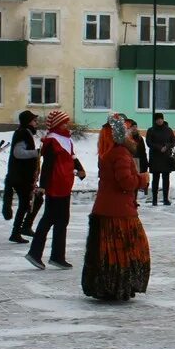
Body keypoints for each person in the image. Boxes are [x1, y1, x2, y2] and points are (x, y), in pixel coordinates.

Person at [82, 119, 151, 301]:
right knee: (126, 249)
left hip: (105, 208)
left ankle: (107, 286)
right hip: (120, 212)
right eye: (127, 131)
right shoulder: (120, 153)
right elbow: (126, 182)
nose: (130, 133)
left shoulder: (106, 152)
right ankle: (121, 286)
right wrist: (143, 179)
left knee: (107, 251)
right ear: (120, 135)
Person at [26, 110, 86, 270]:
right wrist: (43, 185)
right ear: (58, 124)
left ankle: (58, 256)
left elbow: (72, 157)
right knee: (49, 219)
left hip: (65, 184)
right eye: (64, 122)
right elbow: (47, 165)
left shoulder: (67, 139)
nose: (67, 124)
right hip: (55, 185)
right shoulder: (52, 141)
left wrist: (80, 169)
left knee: (62, 220)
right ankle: (35, 253)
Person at [3, 110, 40, 243]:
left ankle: (23, 228)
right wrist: (37, 153)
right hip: (20, 176)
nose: (36, 123)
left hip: (21, 175)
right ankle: (17, 231)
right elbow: (18, 153)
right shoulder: (22, 133)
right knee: (25, 203)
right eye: (34, 121)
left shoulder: (25, 132)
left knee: (33, 201)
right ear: (28, 122)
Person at [145, 113, 175, 206]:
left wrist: (167, 146)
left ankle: (165, 199)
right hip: (155, 157)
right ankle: (154, 200)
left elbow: (174, 141)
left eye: (161, 119)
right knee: (155, 179)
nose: (160, 121)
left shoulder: (168, 130)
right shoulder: (151, 130)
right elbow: (148, 143)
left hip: (166, 158)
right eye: (158, 119)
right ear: (155, 121)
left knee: (166, 179)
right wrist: (159, 148)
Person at [124, 118, 149, 198]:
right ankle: (129, 198)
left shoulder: (139, 138)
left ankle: (134, 199)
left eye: (135, 126)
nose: (134, 128)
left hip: (137, 161)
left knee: (135, 180)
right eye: (132, 127)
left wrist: (145, 163)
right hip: (128, 160)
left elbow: (143, 151)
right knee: (129, 180)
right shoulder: (126, 138)